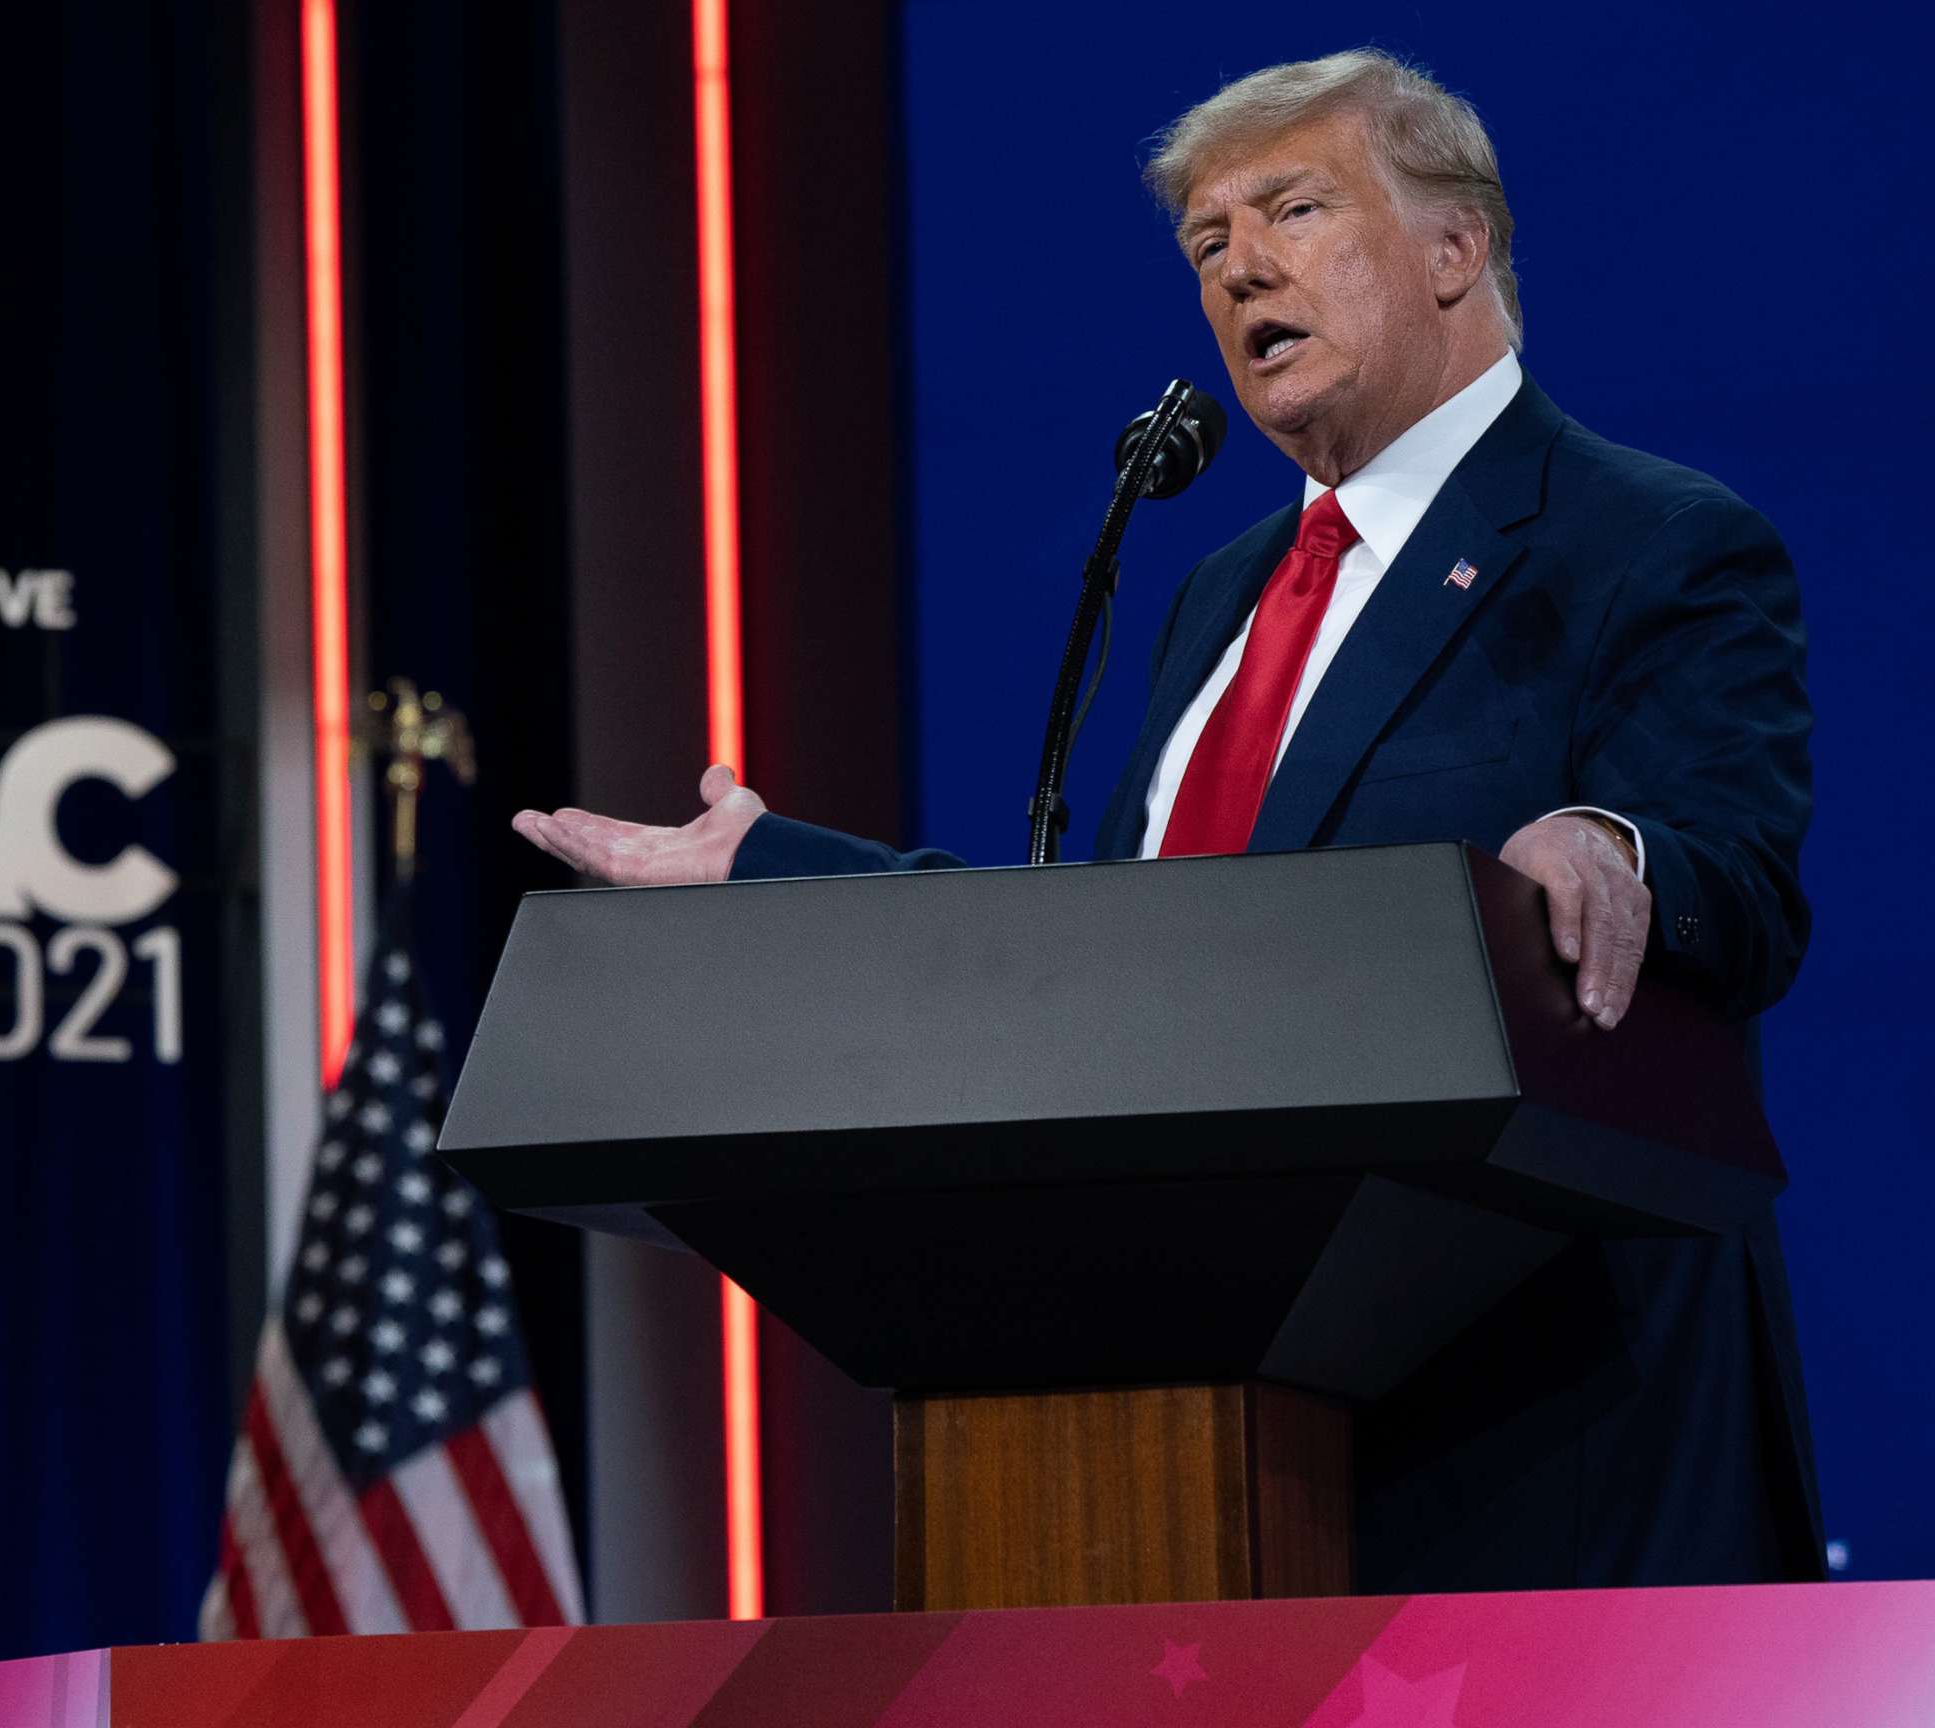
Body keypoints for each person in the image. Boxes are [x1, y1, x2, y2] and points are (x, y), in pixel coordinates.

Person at [512, 49, 1819, 1591]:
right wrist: (763, 869)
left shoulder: (1649, 539)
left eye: (1294, 209)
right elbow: (1130, 954)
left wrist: (1615, 850)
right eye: (1207, 246)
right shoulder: (1221, 590)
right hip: (1222, 1437)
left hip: (1543, 1439)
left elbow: (1734, 870)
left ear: (1458, 248)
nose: (1242, 267)